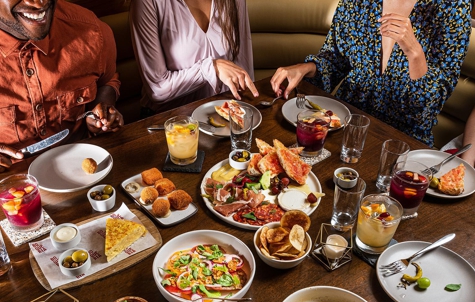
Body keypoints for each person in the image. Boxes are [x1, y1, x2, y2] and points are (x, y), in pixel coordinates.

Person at [270, 0, 472, 148]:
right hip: (344, 128)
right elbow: (336, 59)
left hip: (402, 146)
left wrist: (414, 53)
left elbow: (426, 108)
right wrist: (305, 68)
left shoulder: (453, 8)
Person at [0, 0, 124, 172]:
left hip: (84, 171)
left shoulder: (92, 30)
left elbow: (108, 81)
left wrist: (101, 112)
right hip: (12, 184)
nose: (40, 2)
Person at [129, 0, 258, 116]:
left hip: (220, 114)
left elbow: (243, 66)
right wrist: (210, 68)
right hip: (170, 122)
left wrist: (247, 111)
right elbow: (157, 89)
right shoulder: (147, 2)